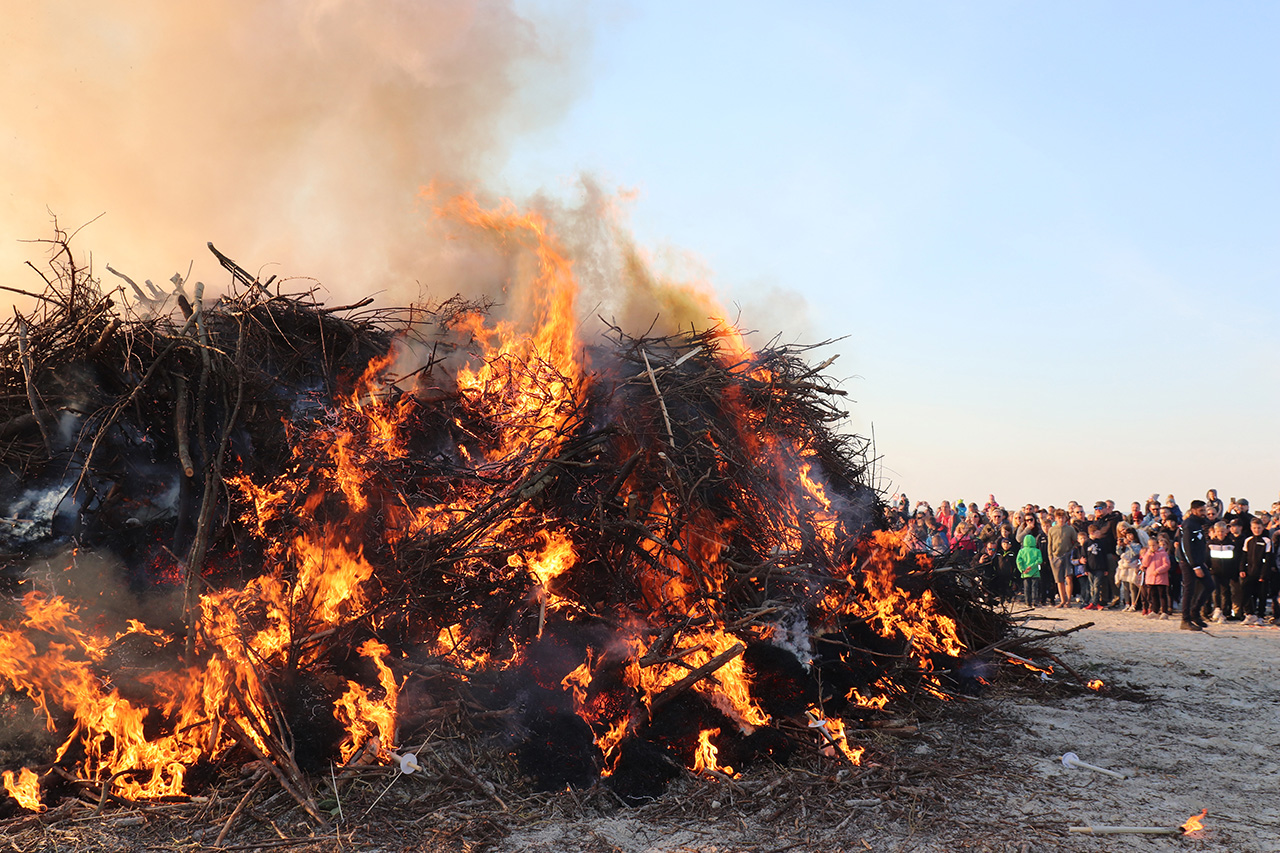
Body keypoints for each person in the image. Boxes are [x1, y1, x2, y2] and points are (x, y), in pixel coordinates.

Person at [1179, 499, 1213, 631]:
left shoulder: (1199, 523)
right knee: (1189, 590)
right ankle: (1185, 620)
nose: (1204, 513)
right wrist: (1195, 566)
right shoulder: (1188, 525)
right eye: (1201, 511)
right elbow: (1186, 547)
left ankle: (1195, 612)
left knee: (1210, 586)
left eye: (1204, 510)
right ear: (1194, 511)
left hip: (1198, 561)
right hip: (1189, 563)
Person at [1240, 517, 1274, 626]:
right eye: (1254, 528)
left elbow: (1268, 559)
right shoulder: (1248, 540)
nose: (1256, 530)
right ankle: (1250, 614)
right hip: (1249, 572)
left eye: (1259, 528)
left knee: (1262, 595)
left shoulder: (1267, 541)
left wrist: (1263, 574)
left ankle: (1260, 616)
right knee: (1245, 593)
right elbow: (1243, 557)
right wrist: (1242, 569)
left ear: (1263, 528)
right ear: (1251, 528)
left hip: (1261, 573)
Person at [1045, 509, 1076, 609]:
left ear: (1065, 518)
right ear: (1056, 518)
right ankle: (1062, 600)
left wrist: (1071, 551)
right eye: (1059, 518)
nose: (1061, 519)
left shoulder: (1070, 529)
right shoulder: (1052, 530)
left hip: (1067, 555)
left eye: (1062, 517)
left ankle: (1068, 601)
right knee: (1059, 580)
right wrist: (1050, 556)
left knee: (1068, 578)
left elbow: (1075, 542)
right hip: (1056, 556)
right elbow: (1049, 544)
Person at [1141, 533, 1173, 618]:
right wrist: (1149, 554)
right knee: (1153, 595)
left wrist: (1158, 571)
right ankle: (1155, 610)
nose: (1152, 547)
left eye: (1154, 545)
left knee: (1162, 595)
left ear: (1157, 544)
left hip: (1160, 578)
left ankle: (1164, 612)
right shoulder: (1148, 553)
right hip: (1151, 578)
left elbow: (1167, 565)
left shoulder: (1163, 553)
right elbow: (1144, 563)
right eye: (1150, 546)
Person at [1016, 533, 1044, 608]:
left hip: (1025, 573)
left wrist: (1022, 569)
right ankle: (1034, 602)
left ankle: (1027, 602)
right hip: (1035, 572)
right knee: (1034, 588)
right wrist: (1032, 566)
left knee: (1026, 588)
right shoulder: (1037, 551)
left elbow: (1018, 562)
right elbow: (1040, 560)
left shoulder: (1021, 551)